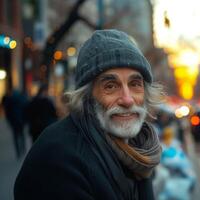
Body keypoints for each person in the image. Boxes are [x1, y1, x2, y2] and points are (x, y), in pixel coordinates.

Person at [14, 29, 164, 200]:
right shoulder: (59, 159)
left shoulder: (140, 148)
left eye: (135, 84)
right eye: (110, 86)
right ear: (86, 97)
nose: (127, 100)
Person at [2, 89, 28, 159]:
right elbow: (26, 109)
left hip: (14, 121)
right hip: (21, 121)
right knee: (22, 135)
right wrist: (25, 120)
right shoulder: (21, 100)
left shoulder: (10, 100)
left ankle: (18, 151)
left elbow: (7, 112)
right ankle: (23, 148)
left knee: (16, 136)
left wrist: (9, 120)